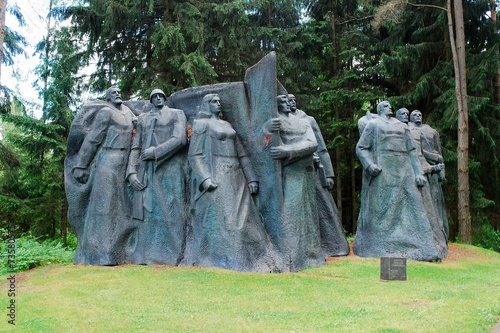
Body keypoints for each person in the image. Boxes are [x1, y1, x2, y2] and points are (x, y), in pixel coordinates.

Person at [185, 94, 280, 272]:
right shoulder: (201, 125)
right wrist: (205, 178)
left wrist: (251, 177)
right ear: (206, 105)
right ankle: (224, 259)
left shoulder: (228, 125)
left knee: (246, 219)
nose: (218, 103)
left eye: (219, 101)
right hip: (217, 174)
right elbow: (195, 155)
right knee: (226, 220)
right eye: (214, 101)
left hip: (236, 174)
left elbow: (242, 154)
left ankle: (251, 258)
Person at [355, 101, 442, 261]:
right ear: (379, 109)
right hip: (384, 168)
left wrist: (418, 173)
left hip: (405, 169)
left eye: (389, 105)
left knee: (415, 205)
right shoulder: (373, 124)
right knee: (382, 207)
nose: (389, 107)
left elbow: (412, 151)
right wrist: (369, 165)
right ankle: (376, 246)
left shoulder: (402, 126)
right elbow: (361, 148)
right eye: (385, 105)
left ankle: (425, 248)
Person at [69, 86, 137, 265]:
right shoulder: (106, 113)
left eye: (118, 91)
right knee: (104, 205)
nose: (117, 94)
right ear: (107, 96)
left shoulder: (128, 112)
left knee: (121, 207)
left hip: (126, 160)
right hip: (108, 159)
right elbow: (93, 139)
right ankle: (99, 253)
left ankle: (117, 250)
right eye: (113, 92)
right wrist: (81, 165)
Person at [127, 88, 189, 265]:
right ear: (151, 99)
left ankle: (174, 253)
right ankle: (149, 253)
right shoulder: (144, 119)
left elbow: (180, 139)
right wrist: (131, 171)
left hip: (170, 167)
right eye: (154, 96)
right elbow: (136, 146)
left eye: (161, 96)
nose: (158, 98)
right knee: (149, 212)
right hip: (147, 171)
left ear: (165, 98)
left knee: (173, 208)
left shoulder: (177, 114)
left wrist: (156, 151)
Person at [266, 94, 324, 271]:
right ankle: (290, 256)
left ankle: (311, 256)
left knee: (309, 214)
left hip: (305, 170)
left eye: (288, 100)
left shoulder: (303, 121)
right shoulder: (275, 122)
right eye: (282, 101)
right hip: (288, 172)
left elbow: (312, 143)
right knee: (290, 213)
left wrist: (288, 150)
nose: (287, 103)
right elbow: (265, 144)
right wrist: (266, 130)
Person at [287, 94, 349, 256]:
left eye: (293, 99)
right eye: (288, 100)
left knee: (323, 206)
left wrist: (329, 174)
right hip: (294, 169)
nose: (291, 102)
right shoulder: (281, 120)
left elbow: (321, 147)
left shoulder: (308, 119)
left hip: (313, 169)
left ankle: (334, 246)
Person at [409, 109, 449, 256]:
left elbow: (439, 153)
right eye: (415, 115)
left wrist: (441, 171)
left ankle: (442, 235)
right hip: (420, 169)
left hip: (433, 170)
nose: (418, 116)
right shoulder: (407, 129)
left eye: (420, 114)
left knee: (436, 203)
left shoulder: (431, 131)